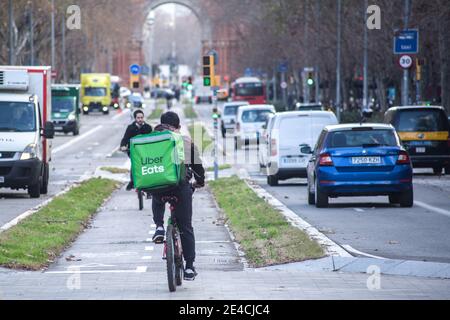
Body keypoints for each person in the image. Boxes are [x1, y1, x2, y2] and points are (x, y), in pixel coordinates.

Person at [151, 111, 205, 281]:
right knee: (186, 227)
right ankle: (189, 267)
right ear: (178, 126)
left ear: (160, 124)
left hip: (160, 188)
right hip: (181, 188)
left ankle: (159, 226)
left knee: (156, 188)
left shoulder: (152, 138)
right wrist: (200, 181)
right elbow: (198, 167)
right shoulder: (185, 141)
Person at [120, 110, 153, 191]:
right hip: (134, 152)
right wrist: (123, 146)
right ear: (135, 118)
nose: (140, 119)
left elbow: (152, 138)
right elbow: (125, 138)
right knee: (135, 165)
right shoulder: (130, 128)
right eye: (138, 118)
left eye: (141, 117)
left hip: (145, 152)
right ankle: (132, 182)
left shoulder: (148, 127)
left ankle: (149, 181)